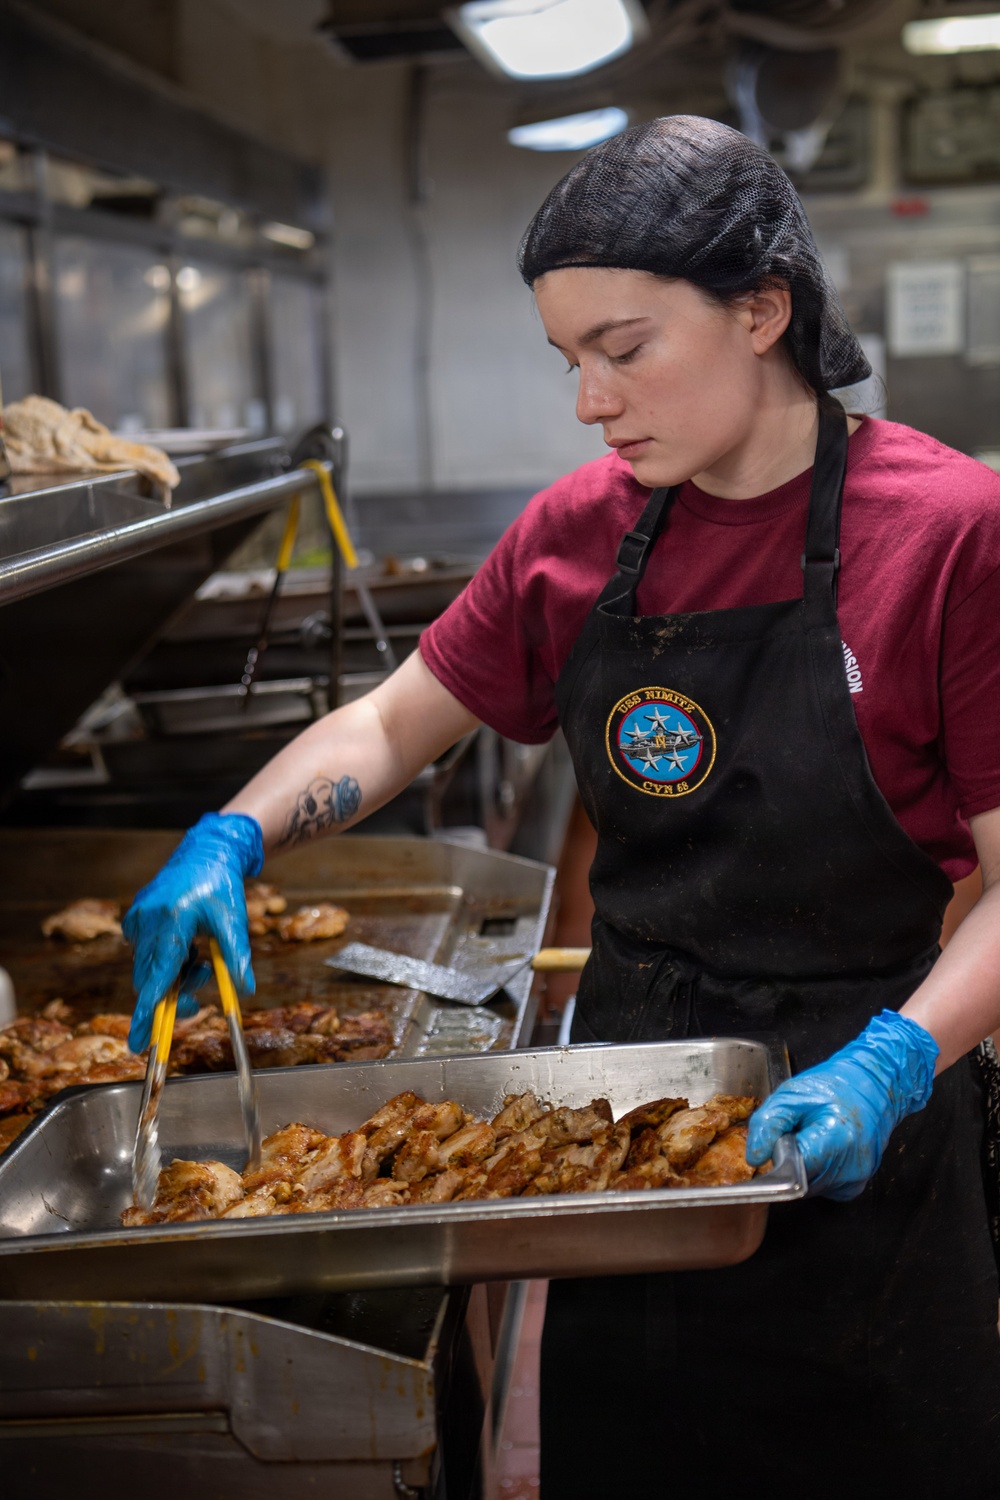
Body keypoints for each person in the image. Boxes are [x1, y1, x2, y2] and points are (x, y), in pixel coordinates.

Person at [124, 117, 1000, 1497]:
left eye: (626, 348)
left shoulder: (946, 532)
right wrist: (233, 833)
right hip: (621, 1141)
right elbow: (396, 719)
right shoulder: (579, 532)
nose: (590, 401)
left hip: (867, 1129)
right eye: (569, 359)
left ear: (765, 309)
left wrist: (891, 1067)